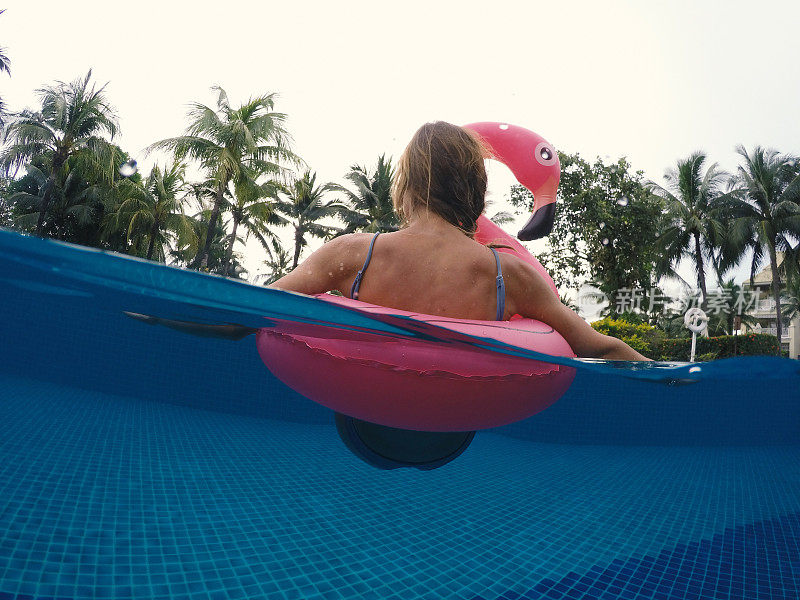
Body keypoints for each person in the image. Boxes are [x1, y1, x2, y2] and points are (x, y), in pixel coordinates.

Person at [271, 121, 648, 470]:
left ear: (406, 186)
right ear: (477, 191)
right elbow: (599, 349)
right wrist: (675, 375)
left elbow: (252, 309)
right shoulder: (509, 275)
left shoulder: (353, 255)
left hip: (365, 423)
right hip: (449, 432)